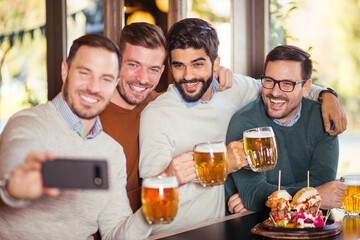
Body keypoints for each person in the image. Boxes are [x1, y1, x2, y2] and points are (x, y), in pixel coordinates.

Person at [138, 18, 346, 235]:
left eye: (198, 64)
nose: (188, 76)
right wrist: (224, 167)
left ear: (216, 63)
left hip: (220, 227)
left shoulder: (234, 89)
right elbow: (153, 197)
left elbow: (284, 88)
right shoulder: (156, 115)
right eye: (178, 65)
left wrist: (327, 95)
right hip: (172, 233)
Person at [0, 34, 151, 239]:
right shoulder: (27, 123)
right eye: (84, 73)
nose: (93, 87)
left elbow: (115, 233)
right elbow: (15, 166)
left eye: (105, 79)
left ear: (115, 83)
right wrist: (12, 188)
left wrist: (151, 214)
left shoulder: (112, 151)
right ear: (65, 71)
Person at [99, 22, 233, 212]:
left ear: (163, 70)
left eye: (153, 69)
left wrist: (214, 72)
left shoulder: (156, 103)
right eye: (133, 65)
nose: (142, 78)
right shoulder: (90, 118)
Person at [225, 45, 347, 215]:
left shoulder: (323, 119)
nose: (275, 92)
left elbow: (323, 181)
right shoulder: (245, 122)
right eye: (269, 81)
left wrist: (270, 198)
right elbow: (254, 193)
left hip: (313, 226)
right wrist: (316, 196)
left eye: (287, 84)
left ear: (306, 88)